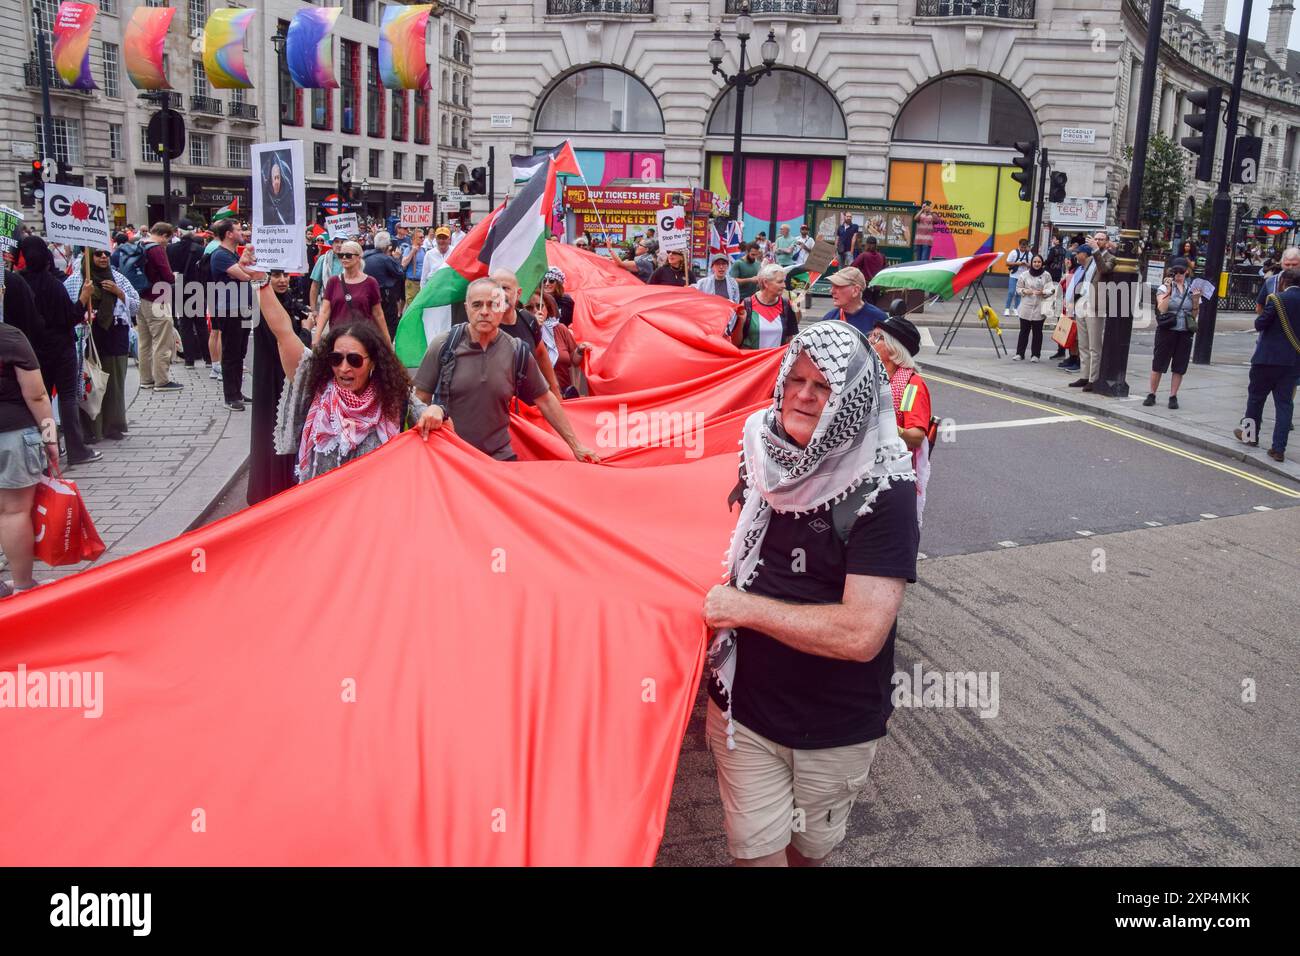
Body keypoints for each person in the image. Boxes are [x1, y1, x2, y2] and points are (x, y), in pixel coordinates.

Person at [702, 321, 918, 867]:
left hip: (833, 726)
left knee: (808, 853)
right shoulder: (758, 446)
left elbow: (861, 634)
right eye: (794, 379)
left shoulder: (883, 488)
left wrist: (742, 608)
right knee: (755, 856)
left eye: (823, 386)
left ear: (853, 398)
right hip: (742, 711)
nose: (802, 394)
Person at [243, 269, 410, 484]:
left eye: (354, 360)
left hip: (370, 508)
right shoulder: (317, 386)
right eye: (335, 358)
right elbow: (284, 333)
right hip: (321, 509)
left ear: (373, 362)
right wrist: (261, 283)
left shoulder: (393, 394)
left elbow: (429, 415)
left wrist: (436, 410)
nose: (343, 368)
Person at [412, 277, 600, 462]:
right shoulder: (444, 345)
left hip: (500, 459)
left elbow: (545, 400)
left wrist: (576, 445)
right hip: (452, 459)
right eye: (477, 305)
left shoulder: (517, 351)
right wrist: (432, 412)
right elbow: (418, 401)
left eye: (492, 304)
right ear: (467, 308)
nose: (484, 312)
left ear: (502, 308)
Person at [18, 236, 100, 465]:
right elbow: (71, 317)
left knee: (40, 400)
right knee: (67, 397)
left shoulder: (18, 283)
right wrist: (83, 299)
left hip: (32, 350)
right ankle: (76, 449)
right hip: (60, 348)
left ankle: (48, 446)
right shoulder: (53, 284)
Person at [0, 322, 60, 597]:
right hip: (11, 434)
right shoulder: (10, 337)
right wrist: (50, 438)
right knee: (13, 512)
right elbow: (37, 395)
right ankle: (23, 585)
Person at [63, 248, 139, 443]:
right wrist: (84, 299)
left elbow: (135, 306)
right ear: (89, 257)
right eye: (98, 254)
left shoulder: (118, 278)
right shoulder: (75, 280)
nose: (103, 257)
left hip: (115, 334)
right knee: (90, 382)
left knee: (114, 382)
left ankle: (113, 426)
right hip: (88, 335)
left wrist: (119, 293)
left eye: (106, 253)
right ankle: (91, 429)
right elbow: (67, 309)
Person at [248, 270, 311, 503]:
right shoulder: (265, 306)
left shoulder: (286, 301)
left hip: (281, 377)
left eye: (285, 275)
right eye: (275, 275)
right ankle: (275, 490)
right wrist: (306, 329)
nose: (282, 280)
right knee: (277, 431)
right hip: (275, 379)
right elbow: (290, 346)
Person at [869, 315, 931, 526]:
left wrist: (886, 428)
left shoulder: (912, 386)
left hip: (893, 475)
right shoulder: (871, 377)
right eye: (872, 335)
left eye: (878, 338)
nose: (870, 340)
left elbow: (916, 436)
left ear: (894, 349)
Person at [1236, 266, 1300, 462]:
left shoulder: (1277, 299)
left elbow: (1259, 324)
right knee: (1284, 405)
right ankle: (1278, 448)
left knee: (1255, 399)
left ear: (1283, 282)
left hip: (1266, 359)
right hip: (1292, 362)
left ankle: (1250, 437)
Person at [489, 269, 564, 400]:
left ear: (518, 294)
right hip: (497, 409)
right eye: (495, 288)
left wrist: (555, 391)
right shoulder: (484, 325)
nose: (500, 293)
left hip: (530, 407)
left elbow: (541, 353)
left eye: (505, 288)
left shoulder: (528, 320)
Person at [209, 219, 257, 412]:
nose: (242, 232)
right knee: (230, 353)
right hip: (229, 309)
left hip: (242, 307)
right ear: (229, 234)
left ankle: (237, 392)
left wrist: (243, 267)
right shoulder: (220, 255)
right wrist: (244, 270)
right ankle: (230, 397)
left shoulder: (229, 254)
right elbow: (245, 276)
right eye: (238, 229)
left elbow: (242, 272)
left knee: (240, 352)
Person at [1144, 257, 1201, 409]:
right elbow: (1162, 309)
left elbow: (1194, 316)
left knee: (1179, 366)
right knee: (1159, 363)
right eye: (1175, 271)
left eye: (1181, 271)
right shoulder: (1164, 287)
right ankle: (1152, 394)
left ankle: (1173, 396)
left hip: (1184, 332)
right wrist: (1169, 291)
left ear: (1187, 272)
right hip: (1167, 330)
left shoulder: (1192, 289)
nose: (1178, 274)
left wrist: (1195, 301)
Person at [316, 240, 391, 352]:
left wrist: (387, 339)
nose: (344, 258)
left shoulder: (370, 282)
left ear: (359, 257)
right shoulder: (333, 281)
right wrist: (317, 337)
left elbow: (378, 313)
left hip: (362, 338)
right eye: (341, 255)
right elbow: (325, 311)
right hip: (338, 339)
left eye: (348, 255)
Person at [134, 222, 180, 391]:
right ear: (165, 236)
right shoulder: (156, 249)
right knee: (162, 340)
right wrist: (173, 276)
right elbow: (167, 276)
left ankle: (146, 379)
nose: (167, 243)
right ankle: (162, 380)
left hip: (140, 297)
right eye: (168, 240)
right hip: (156, 299)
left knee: (144, 342)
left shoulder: (139, 244)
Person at [167, 220, 211, 368]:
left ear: (178, 232)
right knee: (201, 324)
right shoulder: (200, 249)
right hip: (197, 286)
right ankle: (208, 358)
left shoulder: (171, 249)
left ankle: (189, 360)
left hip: (179, 285)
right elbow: (206, 271)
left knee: (185, 324)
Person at [528, 289, 586, 398]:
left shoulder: (560, 329)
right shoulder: (523, 332)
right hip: (539, 399)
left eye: (539, 306)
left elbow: (574, 361)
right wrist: (534, 329)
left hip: (565, 395)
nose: (536, 310)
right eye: (529, 308)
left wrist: (580, 350)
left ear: (548, 309)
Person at [729, 264, 799, 349]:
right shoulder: (747, 305)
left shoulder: (786, 305)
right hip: (753, 360)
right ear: (766, 283)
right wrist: (741, 321)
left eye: (784, 281)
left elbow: (789, 340)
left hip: (776, 361)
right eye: (780, 282)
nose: (784, 285)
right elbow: (735, 343)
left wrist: (797, 308)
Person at [1065, 244, 1099, 390]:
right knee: (1083, 344)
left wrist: (1097, 249)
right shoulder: (1081, 268)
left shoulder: (1097, 263)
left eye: (1077, 253)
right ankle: (1084, 376)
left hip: (1093, 306)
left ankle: (1093, 379)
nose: (1075, 256)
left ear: (1085, 254)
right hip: (1081, 305)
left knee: (1094, 346)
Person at [363, 231, 407, 342]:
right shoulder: (386, 259)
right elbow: (400, 274)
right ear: (388, 246)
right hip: (384, 296)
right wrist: (396, 259)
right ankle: (386, 344)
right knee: (390, 323)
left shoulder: (365, 256)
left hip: (367, 294)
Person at [820, 266, 886, 337]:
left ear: (855, 290)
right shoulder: (829, 318)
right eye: (832, 286)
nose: (832, 291)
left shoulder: (879, 319)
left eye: (838, 286)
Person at [1014, 253, 1054, 362]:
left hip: (1039, 308)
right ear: (1031, 263)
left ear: (1042, 263)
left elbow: (1051, 289)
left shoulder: (1046, 275)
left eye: (1039, 262)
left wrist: (1043, 292)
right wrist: (1024, 291)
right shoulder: (1024, 275)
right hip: (1026, 307)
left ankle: (1035, 355)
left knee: (1037, 333)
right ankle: (1019, 354)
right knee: (1023, 332)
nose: (1037, 264)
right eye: (1035, 262)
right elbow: (1018, 288)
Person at [1256, 246, 1300, 310]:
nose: (1290, 267)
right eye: (1287, 264)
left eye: (1294, 264)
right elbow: (1259, 306)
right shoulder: (1271, 281)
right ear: (1282, 264)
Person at [261, 153, 295, 225]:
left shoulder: (288, 199)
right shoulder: (265, 200)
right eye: (274, 178)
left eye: (278, 178)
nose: (276, 182)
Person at [851, 236, 887, 302]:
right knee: (875, 306)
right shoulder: (882, 256)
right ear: (876, 245)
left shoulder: (864, 255)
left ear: (867, 245)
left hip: (866, 285)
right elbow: (885, 269)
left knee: (866, 306)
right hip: (877, 285)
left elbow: (852, 266)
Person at [1003, 237, 1031, 316]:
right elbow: (1007, 263)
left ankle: (1016, 309)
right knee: (1011, 292)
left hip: (1023, 276)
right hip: (1013, 275)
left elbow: (1032, 265)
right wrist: (1016, 263)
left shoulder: (1029, 254)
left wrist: (1026, 264)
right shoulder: (1013, 252)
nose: (1023, 249)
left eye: (1025, 247)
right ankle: (1007, 308)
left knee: (1019, 293)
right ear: (1019, 245)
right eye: (1022, 247)